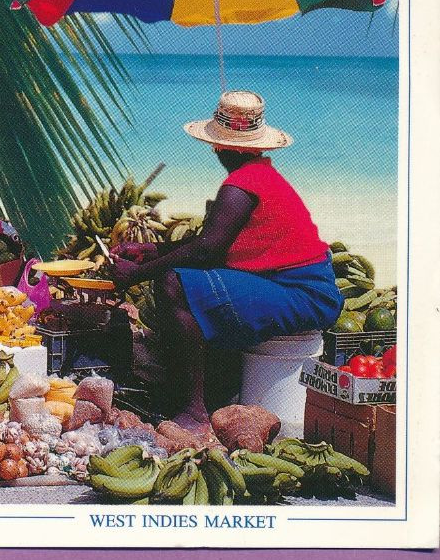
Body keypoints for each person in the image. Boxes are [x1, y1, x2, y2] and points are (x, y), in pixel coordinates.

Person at [111, 91, 342, 436]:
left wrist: (138, 273)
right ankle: (212, 395)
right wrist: (153, 251)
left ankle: (193, 411)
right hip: (299, 287)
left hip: (304, 294)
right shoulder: (258, 175)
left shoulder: (241, 185)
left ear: (218, 146)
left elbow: (207, 251)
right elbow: (214, 243)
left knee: (174, 282)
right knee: (186, 278)